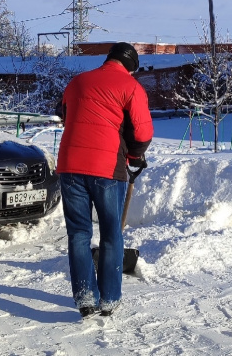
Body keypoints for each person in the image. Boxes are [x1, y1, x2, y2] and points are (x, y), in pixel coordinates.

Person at [56, 42, 153, 318]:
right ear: (131, 67)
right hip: (107, 168)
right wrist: (134, 155)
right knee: (111, 234)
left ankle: (86, 298)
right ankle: (109, 299)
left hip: (70, 165)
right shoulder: (131, 87)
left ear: (108, 59)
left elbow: (65, 115)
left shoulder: (77, 82)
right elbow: (143, 133)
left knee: (78, 234)